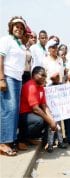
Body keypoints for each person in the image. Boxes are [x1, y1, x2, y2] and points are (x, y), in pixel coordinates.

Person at [0, 16, 27, 156]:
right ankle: (3, 142)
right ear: (11, 27)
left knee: (15, 110)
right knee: (7, 109)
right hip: (8, 77)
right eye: (17, 26)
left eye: (22, 28)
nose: (19, 29)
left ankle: (11, 141)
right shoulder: (6, 40)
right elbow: (1, 58)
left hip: (18, 79)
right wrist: (1, 78)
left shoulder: (21, 44)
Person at [18, 66, 58, 150]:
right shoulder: (30, 86)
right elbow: (36, 109)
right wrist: (50, 121)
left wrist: (52, 120)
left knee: (49, 119)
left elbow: (44, 105)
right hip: (23, 115)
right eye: (42, 75)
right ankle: (20, 140)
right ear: (34, 75)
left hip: (32, 114)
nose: (44, 78)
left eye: (45, 76)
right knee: (40, 121)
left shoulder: (41, 87)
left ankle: (46, 143)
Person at [46, 72, 68, 153]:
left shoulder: (62, 85)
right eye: (55, 77)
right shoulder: (49, 87)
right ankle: (50, 144)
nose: (57, 78)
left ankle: (60, 142)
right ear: (52, 79)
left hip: (60, 110)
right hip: (52, 112)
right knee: (51, 128)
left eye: (58, 77)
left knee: (60, 127)